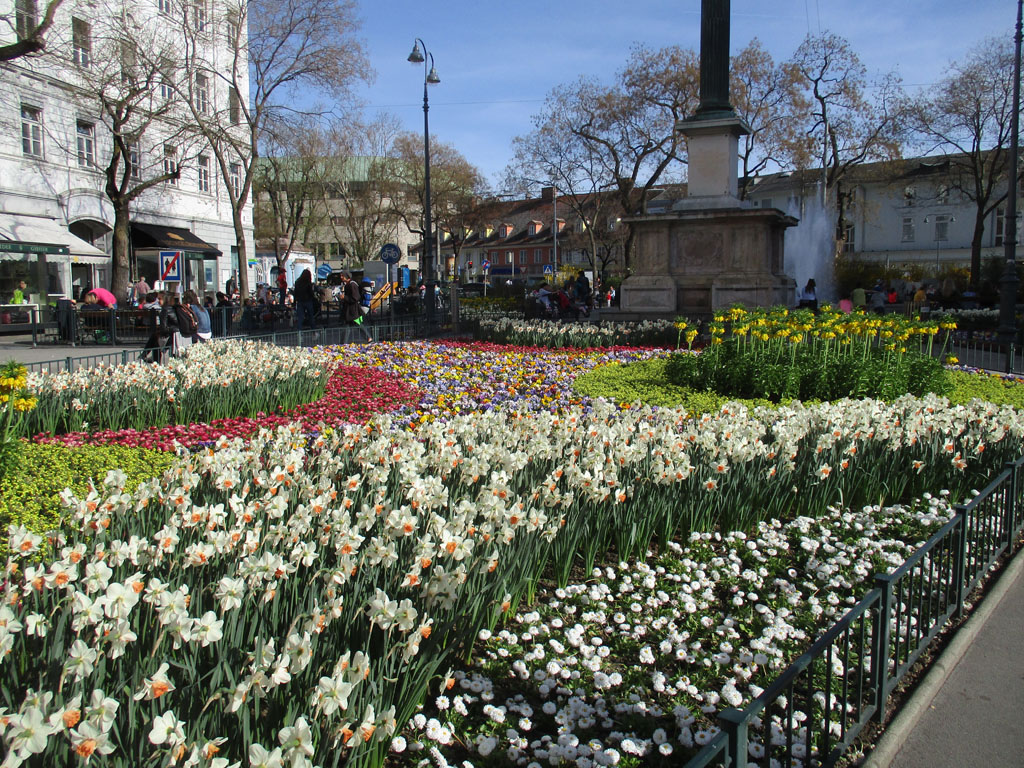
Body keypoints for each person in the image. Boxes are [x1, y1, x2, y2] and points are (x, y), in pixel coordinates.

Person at [160, 293, 198, 357]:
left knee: (155, 340)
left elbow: (163, 328)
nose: (158, 301)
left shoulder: (165, 310)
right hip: (185, 334)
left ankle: (152, 359)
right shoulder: (179, 308)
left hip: (174, 335)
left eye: (159, 299)